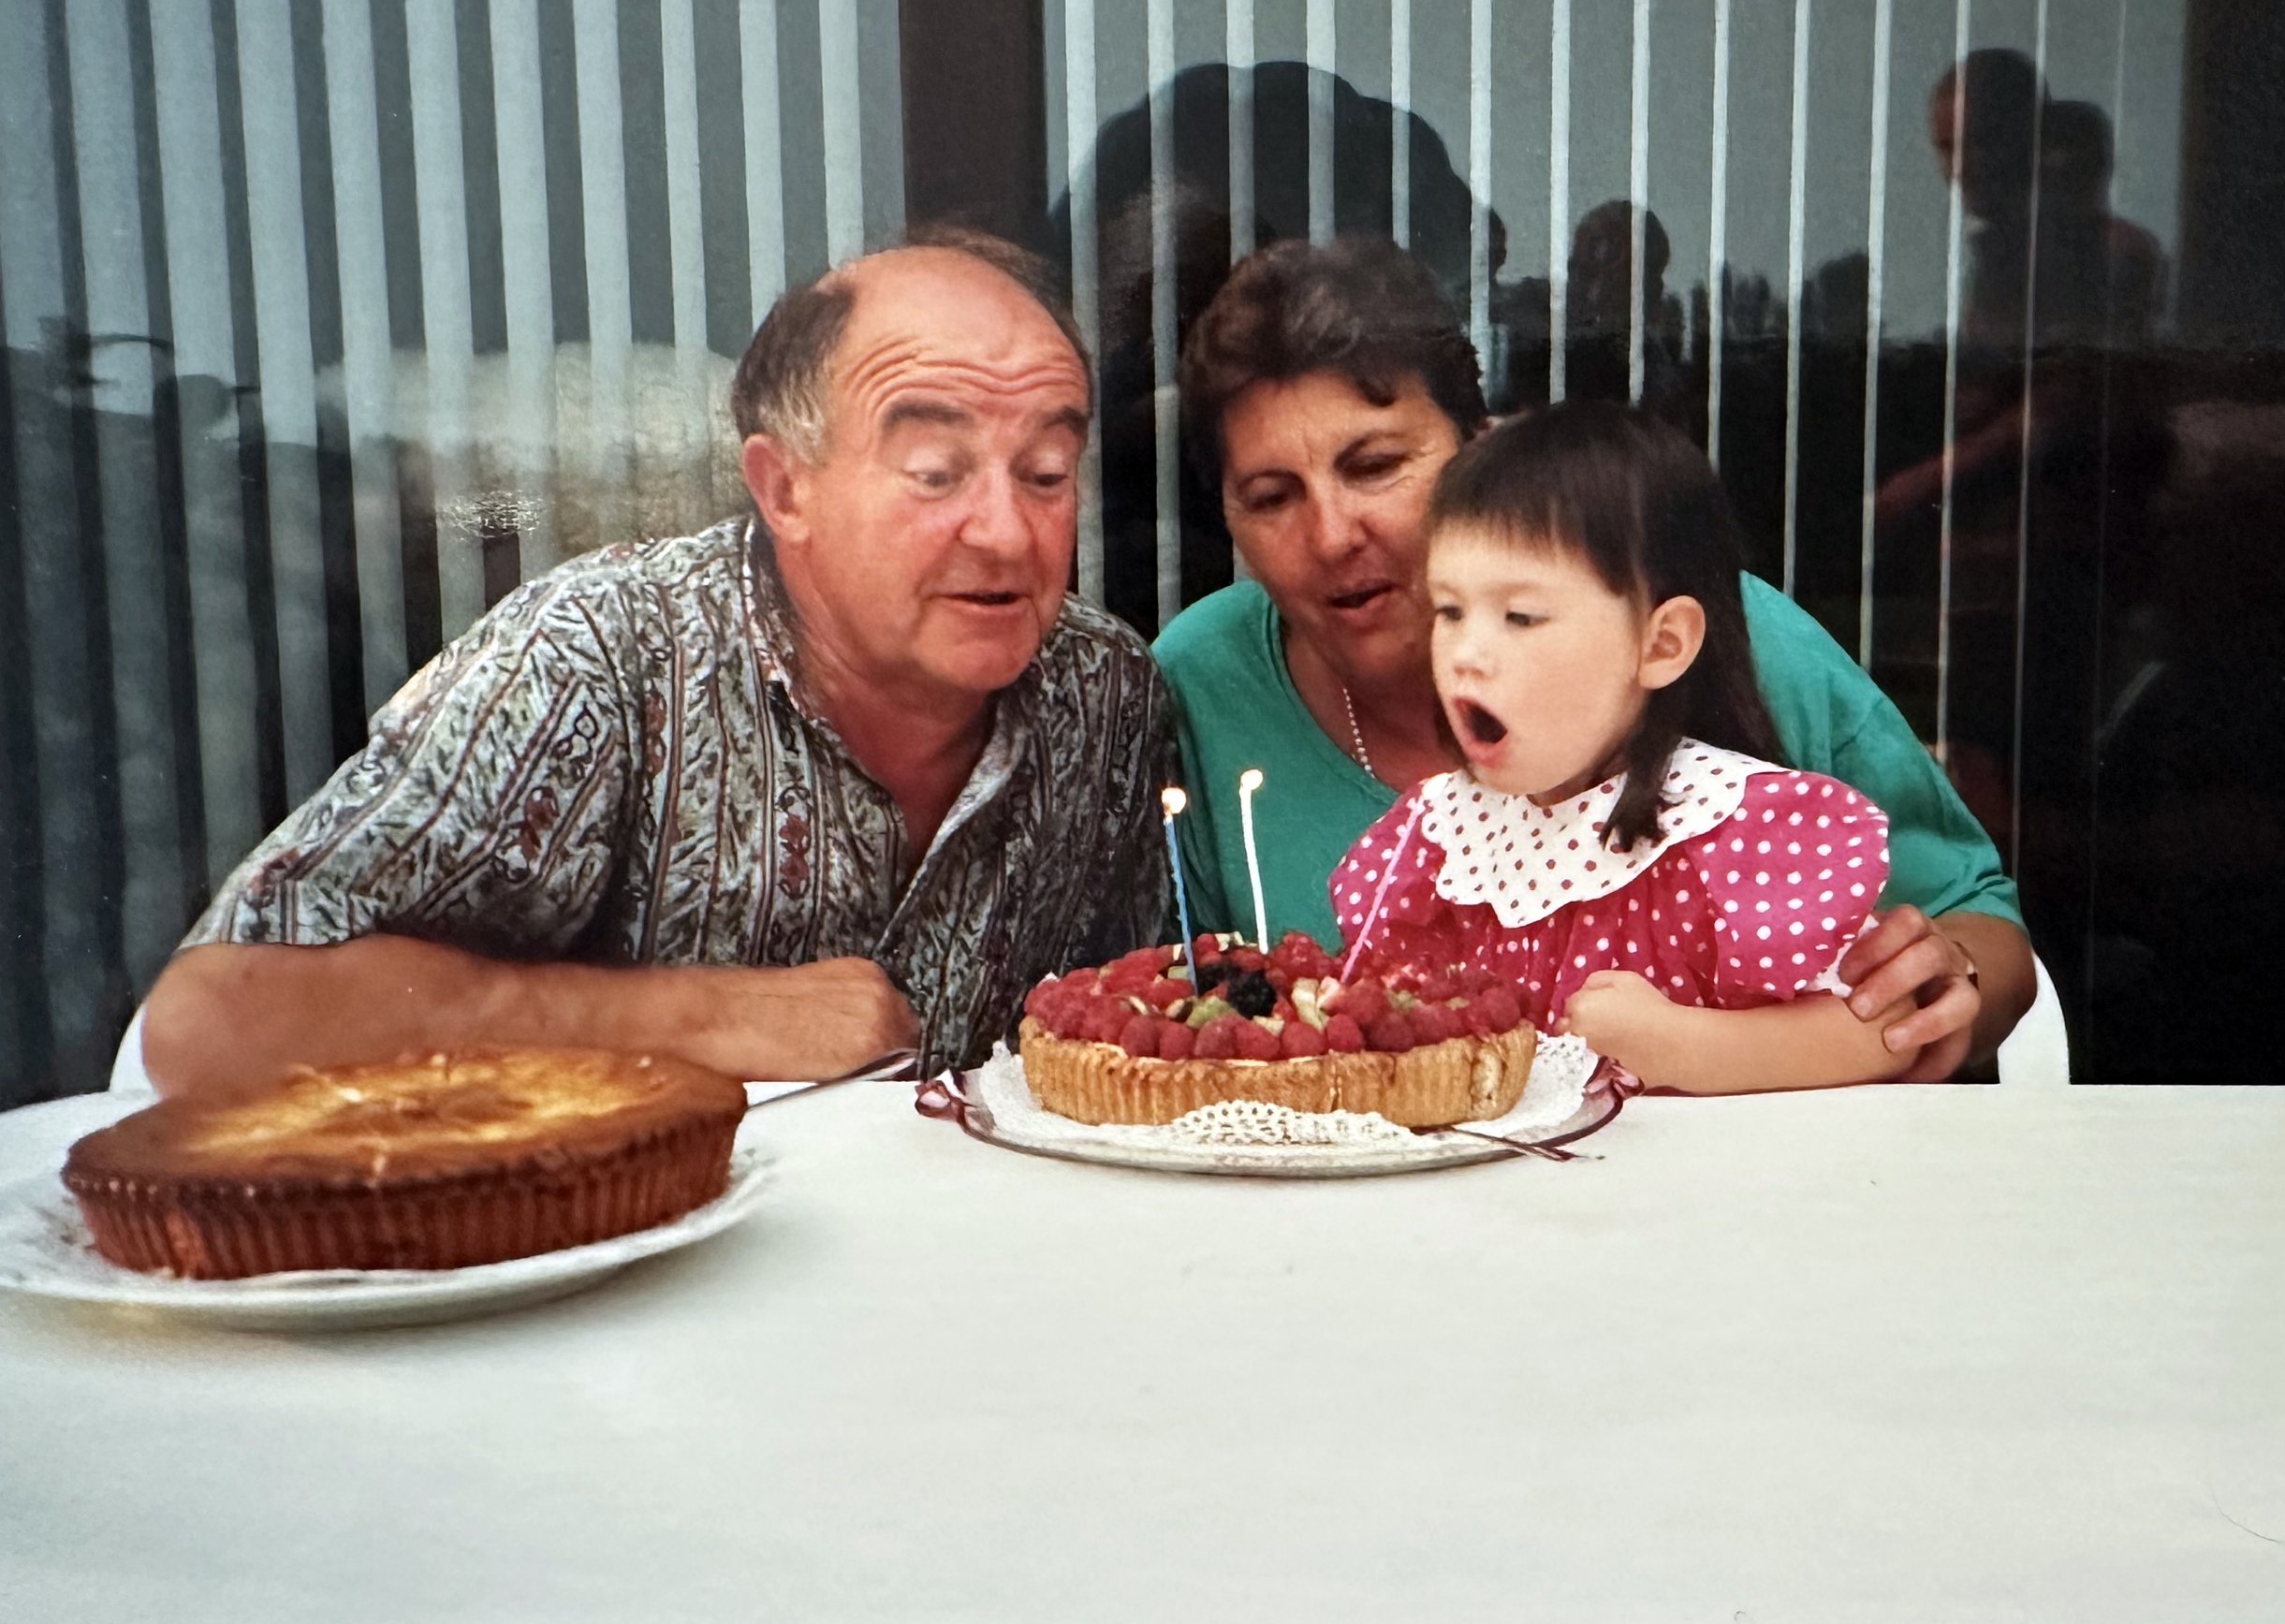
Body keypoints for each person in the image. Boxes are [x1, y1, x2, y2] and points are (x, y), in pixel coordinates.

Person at [139, 228, 1175, 1097]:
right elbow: (217, 1017)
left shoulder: (1103, 693)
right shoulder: (598, 657)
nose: (1006, 530)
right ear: (784, 489)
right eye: (934, 472)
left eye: (1045, 472)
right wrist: (694, 1013)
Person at [1155, 237, 2035, 1081]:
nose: (1333, 535)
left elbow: (1987, 929)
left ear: (1480, 449)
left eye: (1378, 465)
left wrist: (1938, 986)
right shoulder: (1200, 680)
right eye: (1271, 497)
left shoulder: (1714, 629)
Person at [1332, 403, 1911, 1092]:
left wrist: (1692, 1046)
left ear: (1661, 644)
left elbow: (1883, 1031)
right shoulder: (1441, 844)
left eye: (1520, 616)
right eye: (1450, 611)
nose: (1467, 653)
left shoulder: (1726, 829)